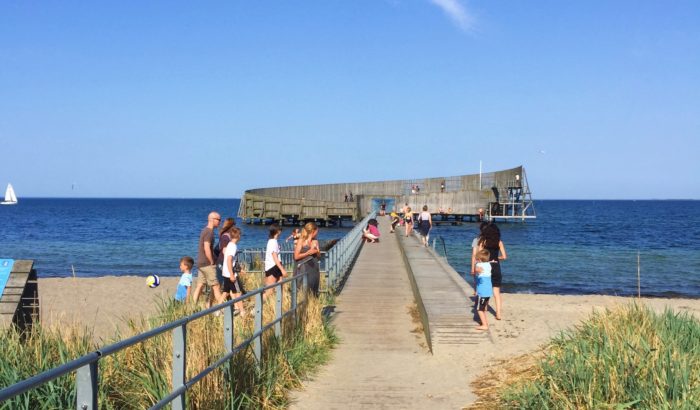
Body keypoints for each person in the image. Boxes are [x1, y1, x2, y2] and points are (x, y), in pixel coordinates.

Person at [191, 212, 224, 307]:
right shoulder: (209, 232)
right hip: (207, 263)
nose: (220, 222)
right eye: (219, 220)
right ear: (212, 219)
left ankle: (194, 307)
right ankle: (223, 309)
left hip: (201, 263)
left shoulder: (204, 230)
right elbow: (206, 248)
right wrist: (212, 261)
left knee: (200, 285)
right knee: (216, 286)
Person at [479, 222, 507, 320]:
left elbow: (479, 256)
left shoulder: (483, 242)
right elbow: (504, 257)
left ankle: (485, 307)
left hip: (486, 267)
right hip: (496, 267)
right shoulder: (499, 242)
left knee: (485, 289)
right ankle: (498, 314)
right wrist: (497, 258)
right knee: (496, 292)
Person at [220, 227, 246, 315]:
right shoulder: (233, 246)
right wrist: (232, 274)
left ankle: (217, 309)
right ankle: (242, 311)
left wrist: (239, 270)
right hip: (230, 274)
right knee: (238, 292)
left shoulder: (229, 245)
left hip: (226, 272)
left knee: (226, 292)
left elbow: (232, 261)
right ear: (238, 236)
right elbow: (229, 260)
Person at [294, 222, 321, 296]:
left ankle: (313, 304)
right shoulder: (301, 241)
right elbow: (296, 256)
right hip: (304, 268)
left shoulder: (315, 241)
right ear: (313, 231)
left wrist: (316, 251)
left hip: (314, 269)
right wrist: (308, 253)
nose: (317, 233)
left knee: (313, 289)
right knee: (304, 288)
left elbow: (319, 257)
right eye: (317, 231)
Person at [472, 249, 493, 330]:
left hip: (482, 292)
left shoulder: (480, 266)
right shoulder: (488, 265)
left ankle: (484, 325)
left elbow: (476, 269)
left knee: (479, 309)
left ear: (480, 260)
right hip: (488, 291)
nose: (477, 260)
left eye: (477, 259)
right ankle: (485, 322)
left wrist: (475, 264)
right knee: (483, 308)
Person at [264, 225, 288, 295]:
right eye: (280, 230)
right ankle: (258, 305)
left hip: (275, 266)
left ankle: (279, 303)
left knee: (280, 286)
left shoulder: (273, 241)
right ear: (277, 231)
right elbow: (275, 257)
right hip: (272, 267)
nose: (281, 232)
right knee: (269, 290)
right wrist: (282, 269)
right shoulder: (273, 242)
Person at [470, 222, 489, 296]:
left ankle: (477, 300)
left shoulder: (476, 240)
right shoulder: (488, 241)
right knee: (484, 283)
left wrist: (472, 269)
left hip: (477, 263)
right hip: (486, 264)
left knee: (476, 284)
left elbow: (474, 255)